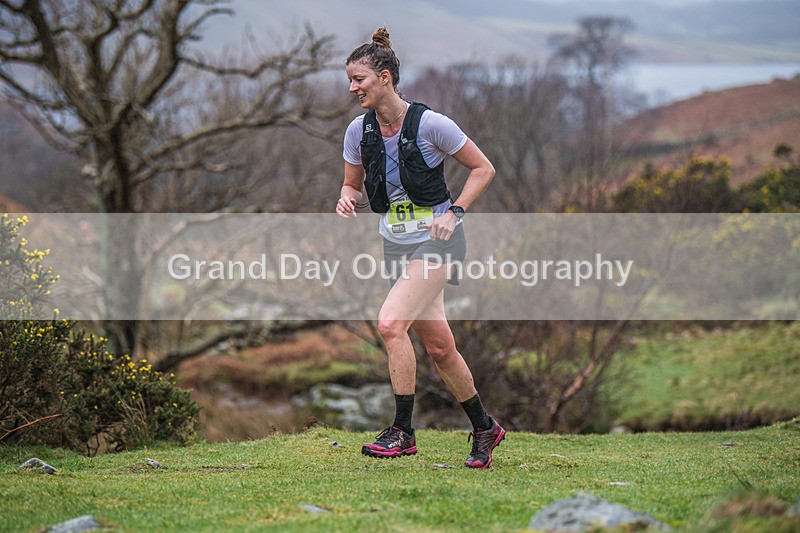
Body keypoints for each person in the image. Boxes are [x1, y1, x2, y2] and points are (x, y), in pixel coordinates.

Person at [336, 27, 504, 469]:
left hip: (439, 241)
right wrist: (346, 197)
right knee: (440, 348)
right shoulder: (358, 131)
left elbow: (483, 169)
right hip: (395, 245)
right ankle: (485, 427)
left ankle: (402, 432)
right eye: (350, 81)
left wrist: (456, 212)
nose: (353, 88)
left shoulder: (431, 124)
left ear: (385, 77)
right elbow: (351, 184)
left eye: (359, 79)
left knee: (391, 325)